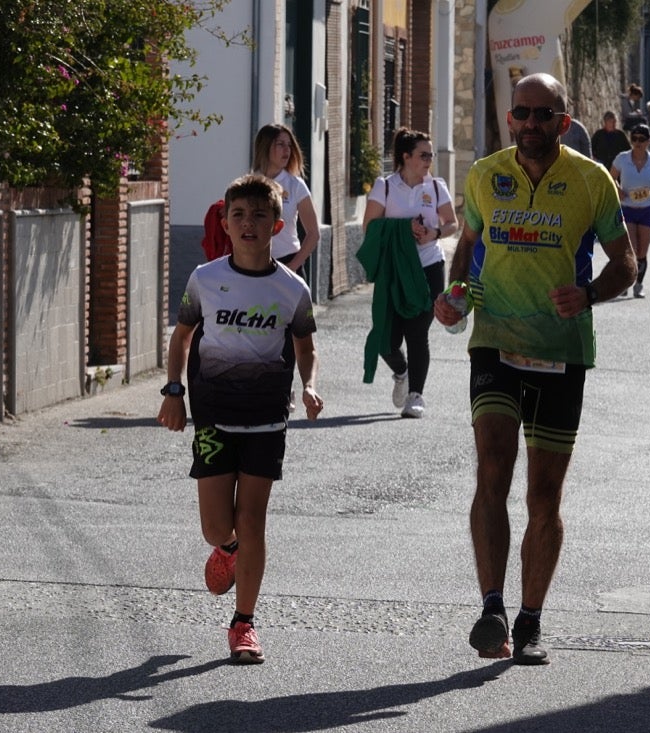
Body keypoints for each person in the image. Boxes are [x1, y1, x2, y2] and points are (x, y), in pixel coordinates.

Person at [433, 72, 634, 666]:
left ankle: (530, 621)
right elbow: (467, 248)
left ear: (563, 121)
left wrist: (590, 295)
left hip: (562, 351)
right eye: (520, 114)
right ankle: (492, 606)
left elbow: (626, 262)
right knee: (492, 469)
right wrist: (456, 296)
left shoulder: (592, 180)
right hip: (493, 342)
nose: (528, 125)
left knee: (544, 496)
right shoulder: (484, 175)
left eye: (541, 115)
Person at [158, 174, 324, 664]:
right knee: (217, 527)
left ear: (277, 225)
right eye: (238, 216)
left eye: (258, 216)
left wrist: (310, 385)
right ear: (224, 224)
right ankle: (226, 547)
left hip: (267, 418)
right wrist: (173, 392)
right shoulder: (205, 279)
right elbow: (182, 338)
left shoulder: (292, 288)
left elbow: (306, 346)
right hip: (212, 415)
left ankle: (243, 624)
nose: (248, 224)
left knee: (253, 521)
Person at [360, 128, 458, 419]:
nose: (429, 159)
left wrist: (435, 233)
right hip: (395, 270)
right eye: (423, 154)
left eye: (430, 154)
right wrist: (404, 229)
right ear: (406, 157)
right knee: (385, 339)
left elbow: (453, 223)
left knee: (418, 333)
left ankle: (416, 395)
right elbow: (369, 227)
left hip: (429, 266)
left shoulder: (436, 186)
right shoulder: (385, 187)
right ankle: (401, 372)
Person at [251, 123, 321, 281]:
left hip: (288, 263)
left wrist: (293, 266)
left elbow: (313, 233)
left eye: (289, 145)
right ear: (265, 147)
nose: (287, 150)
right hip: (255, 266)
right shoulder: (250, 183)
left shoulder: (295, 185)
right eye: (280, 144)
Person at [610, 123, 650, 298]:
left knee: (642, 251)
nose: (637, 143)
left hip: (647, 209)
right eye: (634, 139)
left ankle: (639, 284)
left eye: (642, 139)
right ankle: (627, 282)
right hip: (628, 209)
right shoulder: (622, 158)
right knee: (631, 248)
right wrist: (617, 190)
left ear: (649, 141)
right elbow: (610, 179)